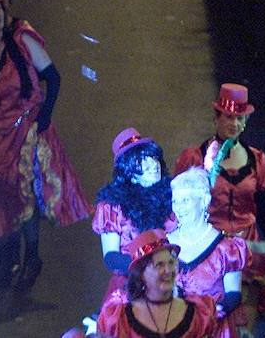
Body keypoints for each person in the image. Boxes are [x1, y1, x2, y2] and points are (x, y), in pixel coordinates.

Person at [0, 0, 87, 292]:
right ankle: (3, 257)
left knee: (24, 195)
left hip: (23, 129)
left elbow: (52, 78)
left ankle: (31, 258)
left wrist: (42, 119)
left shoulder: (22, 41)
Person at [173, 83, 265, 240]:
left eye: (239, 118)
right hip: (209, 244)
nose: (234, 124)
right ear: (216, 119)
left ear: (245, 122)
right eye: (228, 117)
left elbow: (263, 208)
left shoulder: (257, 160)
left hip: (247, 246)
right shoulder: (195, 159)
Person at [94, 129, 176, 308]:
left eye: (153, 158)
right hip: (130, 287)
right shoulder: (112, 205)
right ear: (130, 174)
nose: (153, 165)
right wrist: (146, 269)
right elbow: (110, 257)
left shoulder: (173, 196)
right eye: (142, 163)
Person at [97, 230, 220, 338]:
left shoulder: (199, 313)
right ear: (141, 273)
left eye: (171, 263)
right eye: (159, 265)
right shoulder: (118, 319)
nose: (168, 271)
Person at [170, 167, 248, 336]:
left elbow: (233, 295)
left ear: (203, 201)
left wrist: (203, 320)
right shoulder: (163, 243)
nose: (179, 208)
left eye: (186, 200)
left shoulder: (228, 248)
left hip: (211, 330)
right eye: (175, 201)